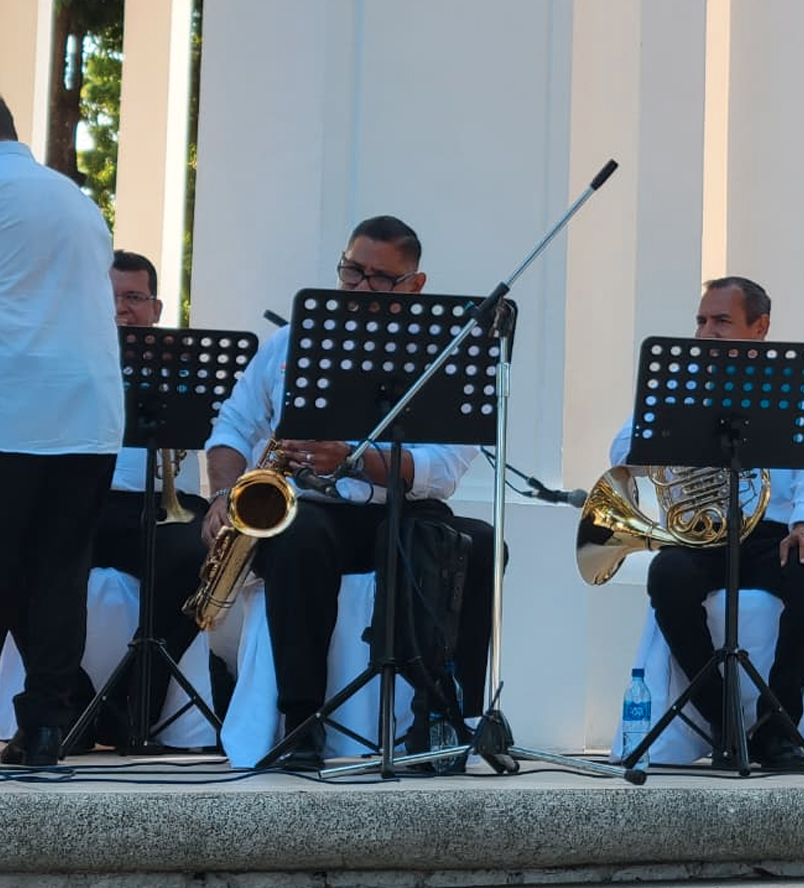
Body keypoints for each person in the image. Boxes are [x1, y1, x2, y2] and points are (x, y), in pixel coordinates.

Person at [201, 215, 480, 770]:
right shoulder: (289, 342)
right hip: (315, 510)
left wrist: (355, 460)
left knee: (480, 543)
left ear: (415, 287)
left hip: (403, 510)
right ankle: (300, 722)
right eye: (352, 271)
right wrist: (225, 495)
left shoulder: (444, 356)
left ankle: (448, 716)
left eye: (380, 278)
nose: (360, 288)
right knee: (298, 539)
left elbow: (443, 468)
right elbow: (231, 426)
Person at [608, 276, 804, 771]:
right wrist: (673, 421)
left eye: (721, 321)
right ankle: (725, 721)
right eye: (701, 320)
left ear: (760, 328)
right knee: (667, 577)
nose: (705, 331)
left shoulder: (792, 389)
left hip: (773, 532)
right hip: (706, 534)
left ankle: (781, 725)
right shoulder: (680, 382)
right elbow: (624, 451)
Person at [0, 95, 124, 767]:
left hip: (12, 407)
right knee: (57, 573)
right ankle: (45, 728)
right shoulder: (73, 198)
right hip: (87, 414)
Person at [74, 251, 215, 743]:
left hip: (158, 507)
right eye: (109, 297)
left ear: (155, 309)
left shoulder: (180, 364)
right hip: (83, 504)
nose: (121, 309)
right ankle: (74, 700)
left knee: (201, 555)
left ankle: (135, 701)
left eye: (133, 297)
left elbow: (218, 429)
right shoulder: (68, 359)